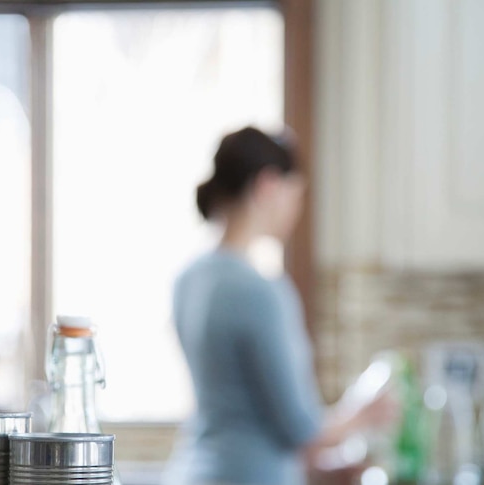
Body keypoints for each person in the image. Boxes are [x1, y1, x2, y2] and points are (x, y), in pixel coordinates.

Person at [162, 127, 395, 485]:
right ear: (269, 185)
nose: (297, 208)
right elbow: (303, 429)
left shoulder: (188, 280)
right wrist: (364, 414)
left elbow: (239, 417)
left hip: (192, 472)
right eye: (296, 193)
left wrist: (316, 471)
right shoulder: (261, 291)